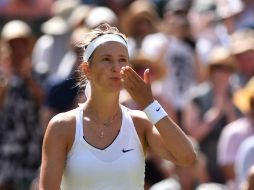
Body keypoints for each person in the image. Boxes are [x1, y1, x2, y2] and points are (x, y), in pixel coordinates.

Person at [39, 23, 196, 189]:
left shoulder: (140, 122)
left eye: (122, 60)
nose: (116, 68)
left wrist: (150, 105)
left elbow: (187, 157)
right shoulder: (62, 126)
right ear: (87, 69)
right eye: (106, 60)